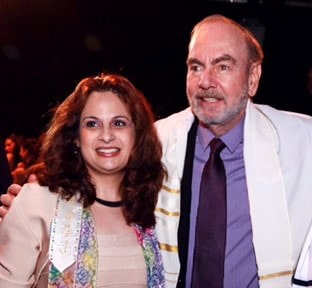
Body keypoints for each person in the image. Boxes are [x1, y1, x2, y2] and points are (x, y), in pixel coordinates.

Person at [2, 14, 312, 288]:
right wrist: (32, 209)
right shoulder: (159, 141)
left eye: (223, 66)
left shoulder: (301, 141)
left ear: (253, 77)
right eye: (196, 66)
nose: (206, 81)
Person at [0, 73, 166, 287]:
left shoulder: (155, 207)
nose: (106, 135)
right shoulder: (38, 203)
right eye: (92, 124)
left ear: (137, 135)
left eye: (119, 123)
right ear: (76, 137)